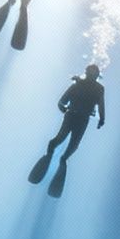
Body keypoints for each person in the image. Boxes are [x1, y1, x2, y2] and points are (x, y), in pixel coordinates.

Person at [28, 64, 105, 196]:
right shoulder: (91, 87)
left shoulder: (92, 88)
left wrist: (102, 119)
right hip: (76, 117)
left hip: (76, 116)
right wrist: (101, 119)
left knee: (68, 143)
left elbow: (62, 101)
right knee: (64, 141)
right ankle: (58, 156)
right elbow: (63, 101)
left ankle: (58, 156)